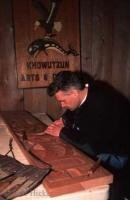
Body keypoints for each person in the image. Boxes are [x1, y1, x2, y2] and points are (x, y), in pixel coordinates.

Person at [44, 70, 130, 200]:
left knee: (104, 191)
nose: (62, 105)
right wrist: (64, 119)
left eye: (63, 100)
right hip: (107, 142)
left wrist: (61, 132)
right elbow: (78, 108)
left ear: (74, 92)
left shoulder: (100, 105)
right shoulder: (88, 88)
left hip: (119, 155)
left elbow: (91, 145)